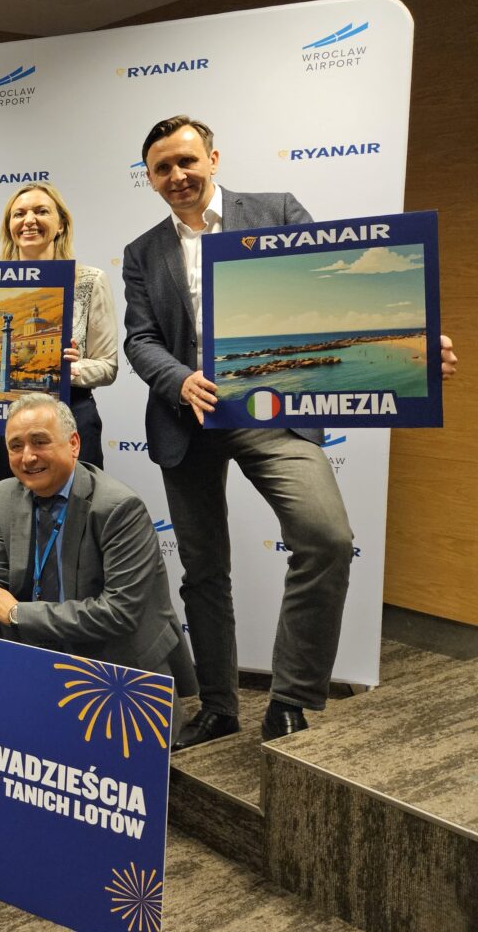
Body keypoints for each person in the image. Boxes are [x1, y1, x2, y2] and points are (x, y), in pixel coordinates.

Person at [123, 115, 457, 748]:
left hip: (270, 414)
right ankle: (218, 707)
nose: (178, 175)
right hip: (186, 420)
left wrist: (415, 345)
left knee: (326, 537)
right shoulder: (143, 251)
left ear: (213, 159)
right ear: (150, 178)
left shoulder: (275, 211)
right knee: (203, 571)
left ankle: (291, 698)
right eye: (163, 168)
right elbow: (140, 339)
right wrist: (179, 380)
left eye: (187, 161)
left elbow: (325, 286)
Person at [0, 394, 196, 697]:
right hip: (34, 658)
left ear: (73, 444)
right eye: (15, 446)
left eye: (39, 442)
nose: (27, 457)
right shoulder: (5, 496)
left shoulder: (118, 508)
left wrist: (17, 613)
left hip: (116, 671)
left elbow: (118, 612)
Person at [0, 182, 118, 489]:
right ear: (9, 226)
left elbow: (108, 367)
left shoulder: (90, 281)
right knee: (6, 510)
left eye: (41, 211)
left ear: (61, 224)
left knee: (76, 512)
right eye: (19, 214)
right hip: (2, 422)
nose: (29, 220)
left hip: (69, 415)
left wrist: (69, 368)